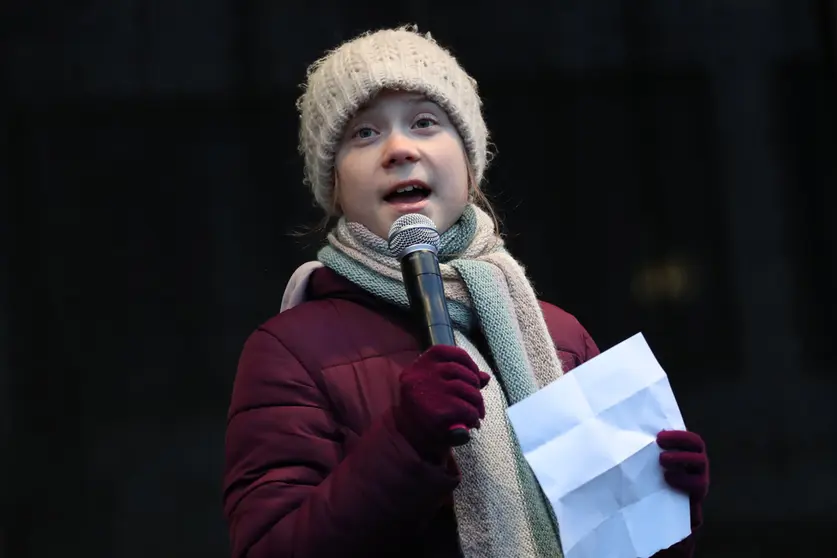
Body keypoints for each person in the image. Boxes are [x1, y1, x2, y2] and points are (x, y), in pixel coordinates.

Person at [222, 25, 710, 558]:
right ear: (333, 183)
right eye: (363, 133)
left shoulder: (558, 334)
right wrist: (405, 441)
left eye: (426, 122)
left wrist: (669, 509)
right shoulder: (289, 350)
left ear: (470, 164)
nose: (399, 149)